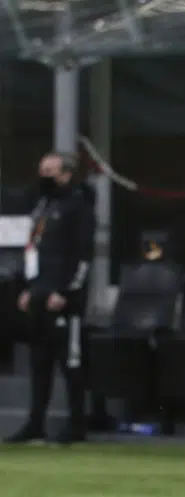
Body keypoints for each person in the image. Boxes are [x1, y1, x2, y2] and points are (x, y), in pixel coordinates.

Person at [6, 152, 95, 445]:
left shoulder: (78, 206)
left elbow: (83, 255)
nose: (44, 176)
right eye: (42, 170)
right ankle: (35, 423)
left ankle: (77, 424)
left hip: (64, 299)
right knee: (39, 361)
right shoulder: (43, 205)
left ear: (66, 174)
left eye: (50, 171)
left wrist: (66, 291)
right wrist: (29, 288)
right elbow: (33, 250)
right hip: (39, 295)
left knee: (70, 363)